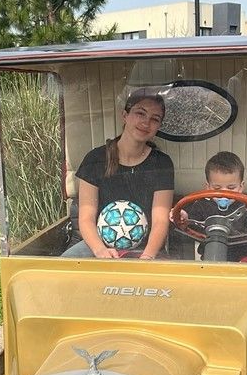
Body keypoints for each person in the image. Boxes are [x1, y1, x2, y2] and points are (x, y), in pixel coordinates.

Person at [62, 89, 174, 259]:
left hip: (146, 248)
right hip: (96, 245)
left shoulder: (162, 163)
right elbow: (86, 218)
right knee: (59, 271)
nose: (146, 122)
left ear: (158, 126)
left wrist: (147, 257)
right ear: (125, 115)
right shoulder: (95, 159)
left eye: (155, 119)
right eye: (140, 113)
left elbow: (160, 221)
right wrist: (101, 251)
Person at [171, 151, 247, 262]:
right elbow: (190, 224)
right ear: (208, 187)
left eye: (231, 188)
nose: (224, 194)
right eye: (217, 188)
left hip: (242, 263)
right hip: (209, 260)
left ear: (241, 186)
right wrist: (183, 217)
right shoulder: (201, 205)